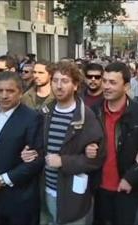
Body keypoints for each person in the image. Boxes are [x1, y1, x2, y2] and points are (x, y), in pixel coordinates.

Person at [22, 62, 105, 224]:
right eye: (55, 80)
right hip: (45, 191)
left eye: (65, 81)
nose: (59, 86)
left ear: (75, 86)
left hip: (71, 197)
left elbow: (97, 159)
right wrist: (29, 153)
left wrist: (64, 161)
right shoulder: (44, 113)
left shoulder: (86, 116)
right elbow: (38, 148)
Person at [92, 62, 138, 225]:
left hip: (127, 188)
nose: (106, 86)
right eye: (105, 81)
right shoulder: (94, 111)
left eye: (113, 82)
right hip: (97, 188)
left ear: (126, 86)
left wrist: (130, 178)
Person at [0, 72, 44, 225]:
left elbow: (35, 161)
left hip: (18, 200)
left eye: (10, 91)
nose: (4, 95)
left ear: (20, 92)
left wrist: (2, 180)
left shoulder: (32, 118)